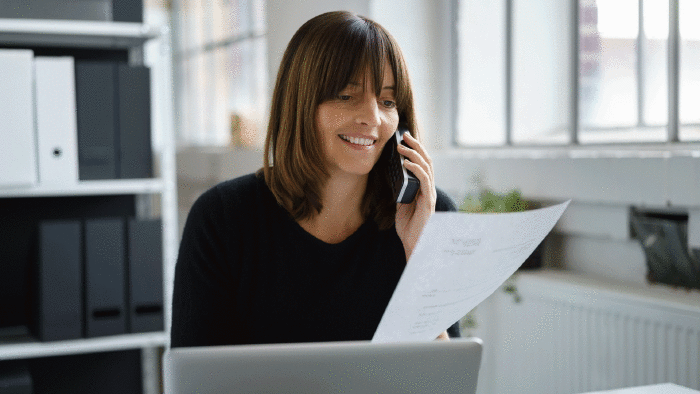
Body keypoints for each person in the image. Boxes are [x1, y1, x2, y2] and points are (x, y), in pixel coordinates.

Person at [171, 10, 459, 348]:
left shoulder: (430, 215)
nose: (372, 118)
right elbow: (195, 375)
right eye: (345, 95)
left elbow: (446, 377)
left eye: (387, 100)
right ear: (300, 103)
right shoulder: (222, 218)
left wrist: (419, 253)